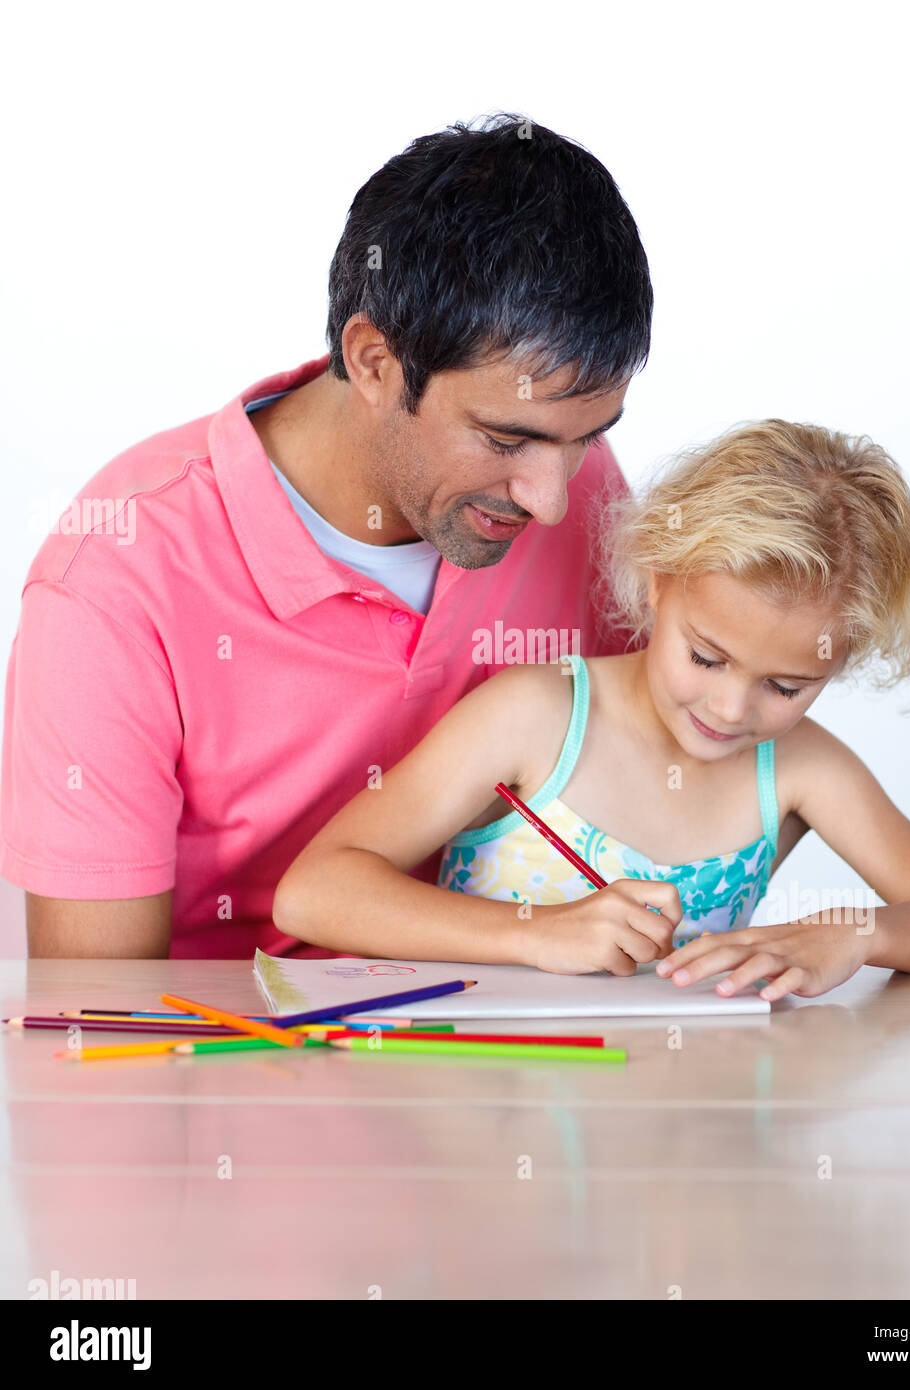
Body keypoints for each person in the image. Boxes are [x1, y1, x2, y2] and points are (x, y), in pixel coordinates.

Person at [0, 113, 652, 959]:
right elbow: (101, 1017)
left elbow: (690, 758)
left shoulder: (577, 493)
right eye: (504, 439)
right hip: (225, 1068)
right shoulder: (118, 575)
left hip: (512, 1058)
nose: (555, 502)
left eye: (587, 436)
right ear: (374, 361)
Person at [272, 419, 910, 999]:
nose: (730, 708)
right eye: (706, 656)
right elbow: (315, 895)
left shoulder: (799, 767)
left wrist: (854, 934)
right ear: (658, 581)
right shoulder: (533, 716)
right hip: (487, 1135)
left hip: (679, 1142)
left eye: (785, 687)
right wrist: (538, 933)